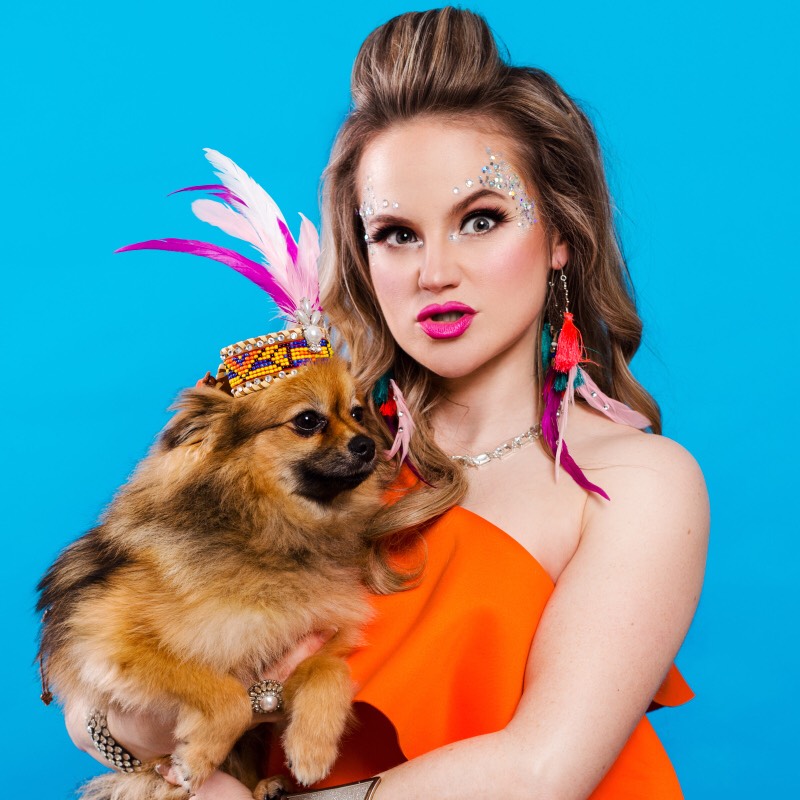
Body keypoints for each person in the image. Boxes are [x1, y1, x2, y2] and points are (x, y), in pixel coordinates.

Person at [64, 8, 708, 799]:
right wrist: (196, 716)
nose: (435, 272)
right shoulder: (304, 449)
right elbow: (95, 691)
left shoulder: (638, 483)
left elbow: (541, 771)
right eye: (397, 233)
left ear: (560, 236)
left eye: (481, 220)